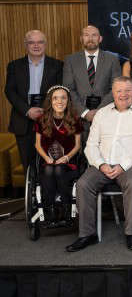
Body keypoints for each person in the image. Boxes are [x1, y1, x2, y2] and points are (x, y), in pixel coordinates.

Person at [67, 76, 132, 252]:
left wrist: (123, 166)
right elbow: (91, 145)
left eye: (127, 90)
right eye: (119, 91)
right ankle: (87, 234)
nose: (123, 94)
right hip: (103, 164)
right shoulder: (102, 114)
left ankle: (131, 233)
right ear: (113, 93)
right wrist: (101, 164)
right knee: (83, 184)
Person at [5, 30, 63, 171]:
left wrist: (46, 110)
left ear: (45, 44)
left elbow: (60, 91)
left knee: (49, 164)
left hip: (49, 119)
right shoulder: (14, 66)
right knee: (28, 165)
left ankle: (46, 186)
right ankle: (30, 186)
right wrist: (27, 110)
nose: (36, 45)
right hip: (23, 120)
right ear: (26, 45)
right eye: (31, 42)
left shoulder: (57, 65)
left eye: (40, 42)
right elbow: (10, 91)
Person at [33, 86, 81, 218]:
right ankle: (50, 208)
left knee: (59, 169)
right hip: (47, 161)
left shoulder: (74, 119)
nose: (59, 101)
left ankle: (66, 206)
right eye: (55, 98)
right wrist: (46, 158)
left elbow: (78, 145)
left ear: (68, 101)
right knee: (49, 169)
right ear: (50, 101)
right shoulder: (41, 119)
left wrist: (66, 157)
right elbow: (37, 144)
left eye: (63, 98)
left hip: (69, 163)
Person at [63, 25, 121, 126]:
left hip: (106, 116)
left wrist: (99, 111)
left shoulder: (112, 59)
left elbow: (116, 87)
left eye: (94, 35)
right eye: (86, 35)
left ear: (100, 39)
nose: (90, 38)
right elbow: (68, 89)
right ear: (81, 39)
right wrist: (84, 112)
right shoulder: (70, 60)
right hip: (78, 118)